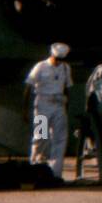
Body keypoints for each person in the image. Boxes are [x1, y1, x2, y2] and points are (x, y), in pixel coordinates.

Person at [25, 43, 72, 180]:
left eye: (61, 59)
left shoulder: (65, 68)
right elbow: (28, 86)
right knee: (41, 136)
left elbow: (67, 88)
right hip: (42, 104)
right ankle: (34, 167)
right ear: (52, 55)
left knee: (59, 139)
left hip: (59, 105)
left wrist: (66, 107)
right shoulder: (40, 66)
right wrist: (25, 109)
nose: (58, 62)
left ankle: (55, 173)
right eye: (57, 59)